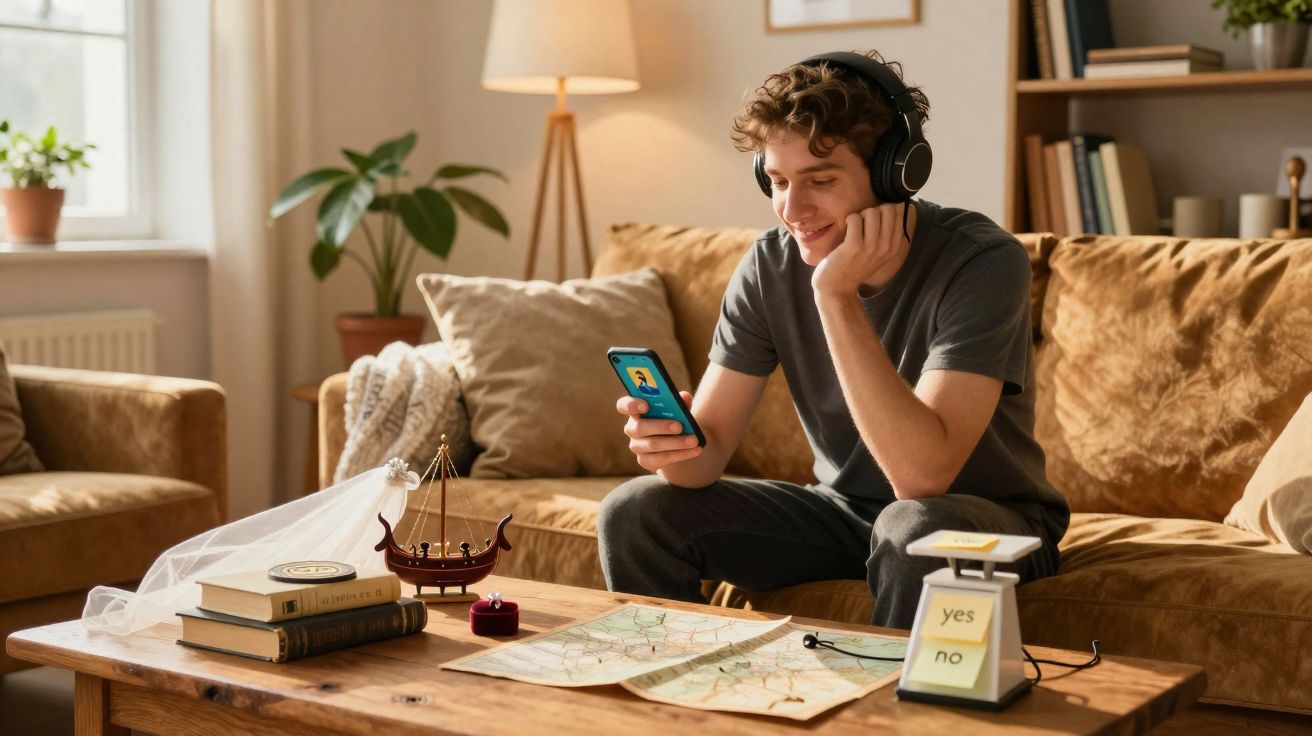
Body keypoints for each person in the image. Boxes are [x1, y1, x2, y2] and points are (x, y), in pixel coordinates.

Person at [596, 50, 1070, 630]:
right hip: (843, 514)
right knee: (635, 512)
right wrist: (670, 449)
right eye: (777, 181)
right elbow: (705, 462)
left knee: (913, 528)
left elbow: (922, 481)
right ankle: (685, 708)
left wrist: (835, 296)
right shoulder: (769, 264)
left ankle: (882, 723)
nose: (792, 210)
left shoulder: (981, 261)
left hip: (988, 527)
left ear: (896, 173)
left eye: (820, 181)